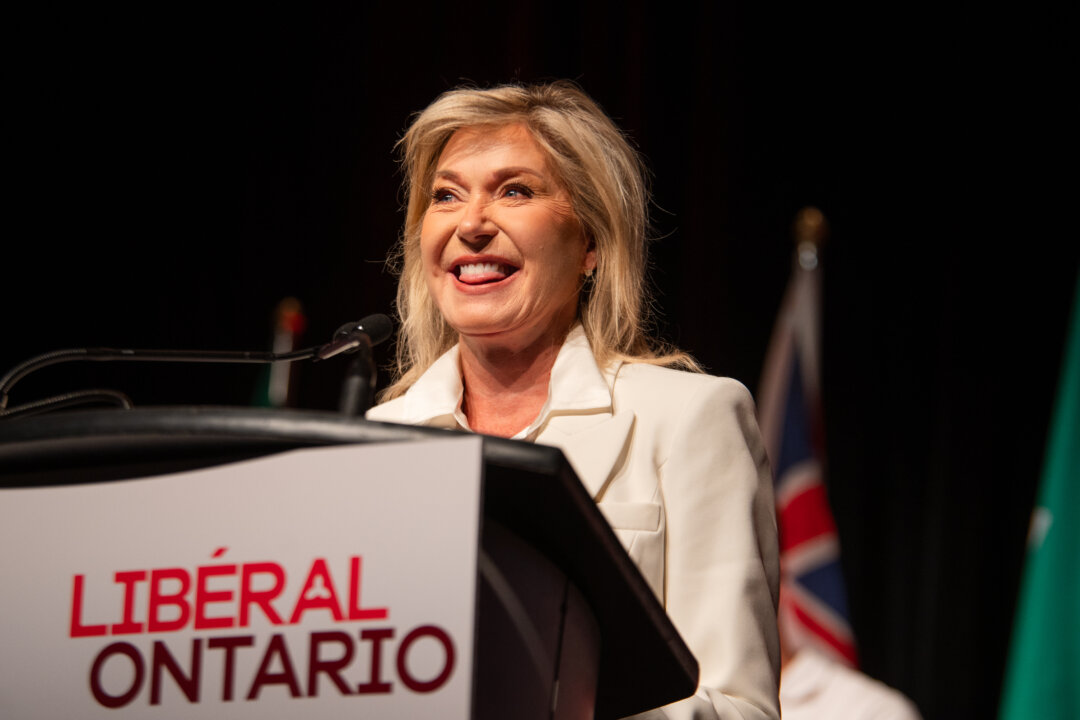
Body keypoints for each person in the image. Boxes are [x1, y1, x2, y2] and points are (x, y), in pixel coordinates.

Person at [365, 80, 780, 719]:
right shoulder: (377, 437)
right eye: (445, 195)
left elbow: (740, 707)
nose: (470, 224)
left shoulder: (688, 418)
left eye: (514, 191)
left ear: (590, 243)